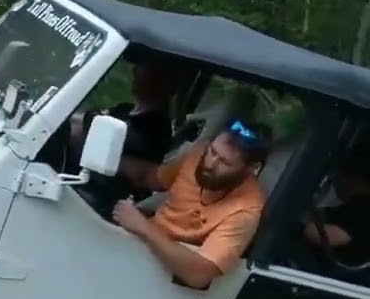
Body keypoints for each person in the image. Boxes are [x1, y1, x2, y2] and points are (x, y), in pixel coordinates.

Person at [111, 119, 272, 289]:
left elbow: (199, 275)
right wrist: (110, 160)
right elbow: (151, 177)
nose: (210, 164)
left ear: (252, 169)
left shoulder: (246, 210)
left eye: (224, 163)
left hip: (163, 275)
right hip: (136, 242)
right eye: (212, 152)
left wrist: (144, 228)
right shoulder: (198, 156)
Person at [302, 160, 370, 266]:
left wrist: (301, 226)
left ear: (350, 177)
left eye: (337, 174)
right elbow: (321, 214)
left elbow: (329, 237)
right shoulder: (353, 206)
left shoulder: (363, 208)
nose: (334, 181)